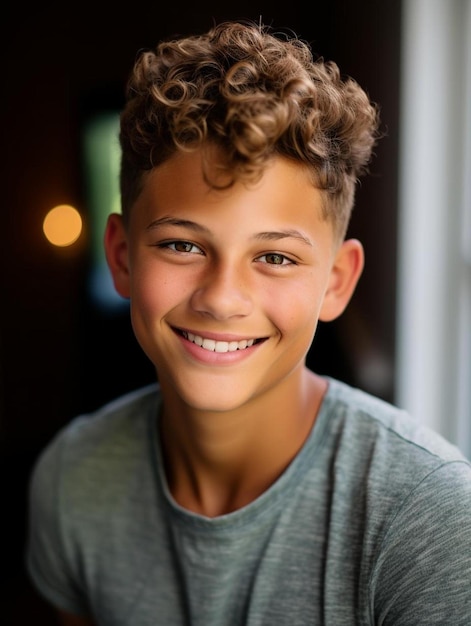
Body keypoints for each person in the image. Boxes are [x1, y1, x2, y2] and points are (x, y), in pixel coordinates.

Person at [26, 19, 471, 626]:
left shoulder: (430, 521)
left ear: (336, 282)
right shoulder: (71, 481)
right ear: (122, 257)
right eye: (183, 246)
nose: (223, 298)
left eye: (275, 257)